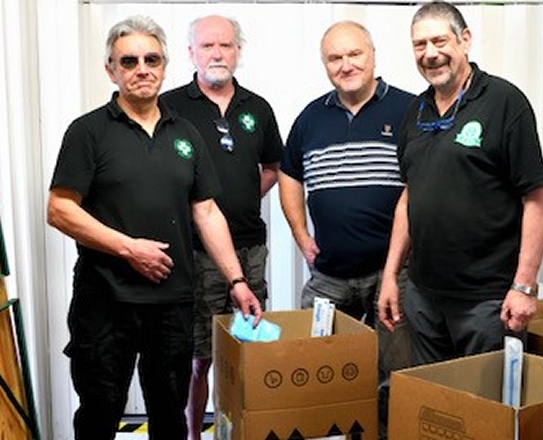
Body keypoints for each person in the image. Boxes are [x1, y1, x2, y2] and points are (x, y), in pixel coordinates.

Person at [46, 15, 262, 440]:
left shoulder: (185, 132)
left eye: (151, 59)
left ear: (165, 66)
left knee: (169, 414)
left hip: (173, 300)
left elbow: (207, 211)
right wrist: (129, 249)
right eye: (128, 61)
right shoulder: (88, 131)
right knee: (99, 412)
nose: (141, 68)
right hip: (105, 301)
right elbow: (60, 209)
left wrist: (236, 279)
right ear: (111, 69)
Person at [378, 1, 543, 367]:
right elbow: (409, 198)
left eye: (439, 41)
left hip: (486, 301)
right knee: (438, 407)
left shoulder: (504, 102)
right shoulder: (416, 112)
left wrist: (523, 287)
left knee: (486, 411)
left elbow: (537, 198)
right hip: (424, 298)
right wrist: (391, 275)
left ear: (465, 40)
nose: (430, 54)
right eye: (419, 45)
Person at [278, 20, 414, 439]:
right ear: (325, 65)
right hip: (330, 276)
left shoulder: (410, 110)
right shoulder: (310, 118)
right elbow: (289, 176)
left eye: (354, 54)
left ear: (373, 55)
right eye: (335, 58)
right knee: (316, 371)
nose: (346, 64)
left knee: (393, 377)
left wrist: (393, 269)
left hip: (393, 275)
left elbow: (419, 186)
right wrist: (302, 236)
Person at [160, 14, 283, 440]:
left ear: (238, 51)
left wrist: (243, 197)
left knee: (251, 350)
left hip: (251, 247)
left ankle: (247, 430)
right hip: (197, 253)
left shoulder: (258, 108)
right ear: (191, 52)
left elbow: (271, 168)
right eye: (208, 46)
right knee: (200, 357)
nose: (217, 53)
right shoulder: (170, 106)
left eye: (226, 45)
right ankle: (196, 434)